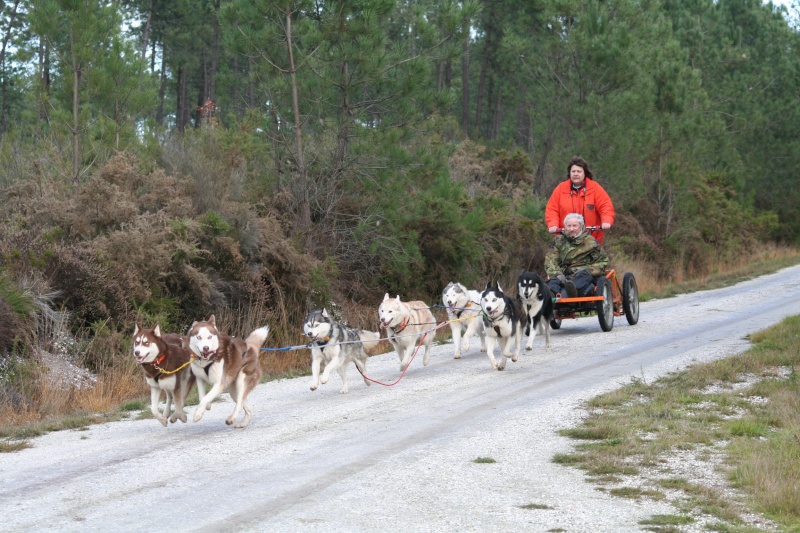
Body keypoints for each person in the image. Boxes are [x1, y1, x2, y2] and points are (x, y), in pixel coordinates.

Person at [545, 156, 615, 244]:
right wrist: (553, 225)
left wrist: (606, 221)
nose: (576, 174)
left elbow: (605, 206)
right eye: (573, 171)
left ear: (584, 173)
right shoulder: (560, 189)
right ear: (569, 173)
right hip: (566, 239)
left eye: (579, 171)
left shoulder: (595, 188)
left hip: (591, 239)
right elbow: (552, 209)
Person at [545, 213, 610, 298]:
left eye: (574, 226)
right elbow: (550, 260)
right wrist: (556, 273)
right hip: (564, 273)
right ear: (565, 227)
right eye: (569, 226)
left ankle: (570, 292)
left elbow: (602, 261)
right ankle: (552, 294)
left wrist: (589, 270)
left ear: (581, 226)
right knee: (553, 281)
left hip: (583, 273)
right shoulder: (559, 241)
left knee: (581, 279)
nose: (571, 229)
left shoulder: (591, 242)